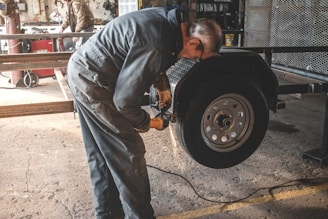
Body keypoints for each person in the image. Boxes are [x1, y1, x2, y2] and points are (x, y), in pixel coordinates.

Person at [67, 7, 222, 219]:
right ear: (194, 42)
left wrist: (162, 85)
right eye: (198, 57)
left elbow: (145, 49)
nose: (194, 60)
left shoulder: (168, 24)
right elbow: (124, 102)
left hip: (82, 71)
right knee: (129, 151)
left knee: (103, 152)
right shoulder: (158, 43)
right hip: (94, 83)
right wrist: (147, 122)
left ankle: (107, 214)